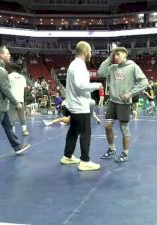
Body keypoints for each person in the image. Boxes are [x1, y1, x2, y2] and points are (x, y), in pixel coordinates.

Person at [98, 46, 148, 162]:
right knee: (107, 126)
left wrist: (130, 93)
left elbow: (144, 82)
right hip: (112, 101)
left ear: (125, 55)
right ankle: (112, 148)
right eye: (114, 55)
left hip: (124, 103)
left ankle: (125, 153)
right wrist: (109, 58)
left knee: (124, 128)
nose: (116, 57)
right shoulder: (113, 68)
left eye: (118, 54)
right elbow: (100, 72)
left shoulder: (133, 67)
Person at [0, 46, 30, 162]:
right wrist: (16, 102)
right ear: (1, 55)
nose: (10, 55)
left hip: (2, 105)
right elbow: (6, 90)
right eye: (7, 53)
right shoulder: (0, 71)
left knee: (8, 126)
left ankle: (17, 147)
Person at [60, 41, 102, 171]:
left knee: (73, 131)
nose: (91, 53)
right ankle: (85, 161)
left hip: (74, 104)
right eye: (90, 51)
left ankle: (67, 156)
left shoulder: (75, 64)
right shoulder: (79, 66)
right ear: (84, 51)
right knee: (85, 133)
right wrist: (97, 85)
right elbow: (80, 85)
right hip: (79, 106)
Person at [7, 63, 29, 136]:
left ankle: (12, 131)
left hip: (12, 99)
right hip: (21, 99)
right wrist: (24, 100)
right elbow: (25, 90)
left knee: (12, 115)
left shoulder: (8, 76)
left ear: (12, 69)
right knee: (22, 115)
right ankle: (24, 130)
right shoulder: (23, 77)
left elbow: (6, 89)